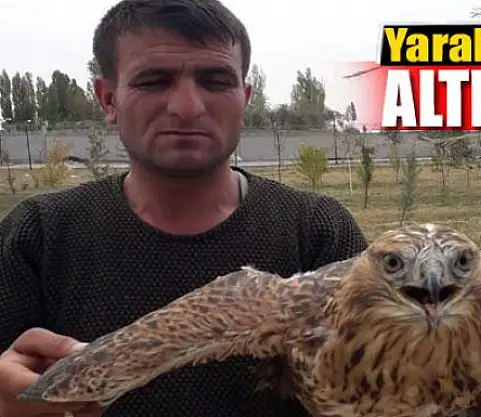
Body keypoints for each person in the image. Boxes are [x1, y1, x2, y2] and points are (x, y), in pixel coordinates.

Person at [0, 0, 368, 416]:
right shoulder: (39, 236)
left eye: (216, 81)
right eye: (154, 81)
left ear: (245, 97)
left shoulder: (318, 232)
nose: (188, 107)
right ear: (108, 99)